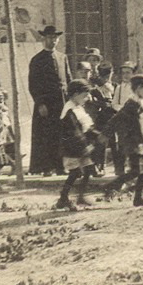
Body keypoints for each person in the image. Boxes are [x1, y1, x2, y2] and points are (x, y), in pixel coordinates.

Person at [27, 25, 73, 175]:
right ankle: (46, 167)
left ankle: (60, 166)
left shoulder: (62, 57)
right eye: (49, 38)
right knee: (46, 135)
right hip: (46, 103)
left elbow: (68, 78)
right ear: (43, 39)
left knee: (61, 134)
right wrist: (40, 103)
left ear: (58, 40)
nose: (52, 41)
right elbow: (33, 84)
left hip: (61, 101)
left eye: (55, 38)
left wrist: (71, 98)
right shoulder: (37, 60)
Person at [104, 74, 143, 207]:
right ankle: (113, 186)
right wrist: (105, 133)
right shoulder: (131, 104)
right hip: (133, 143)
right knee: (138, 171)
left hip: (140, 141)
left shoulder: (139, 103)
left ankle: (137, 197)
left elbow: (139, 122)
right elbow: (116, 119)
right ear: (138, 88)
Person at [56, 79, 98, 210]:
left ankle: (81, 195)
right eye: (84, 95)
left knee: (87, 170)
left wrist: (98, 135)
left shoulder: (78, 108)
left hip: (81, 146)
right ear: (75, 95)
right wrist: (84, 146)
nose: (87, 98)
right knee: (75, 172)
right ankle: (63, 197)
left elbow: (86, 127)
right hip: (72, 147)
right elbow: (74, 131)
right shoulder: (69, 110)